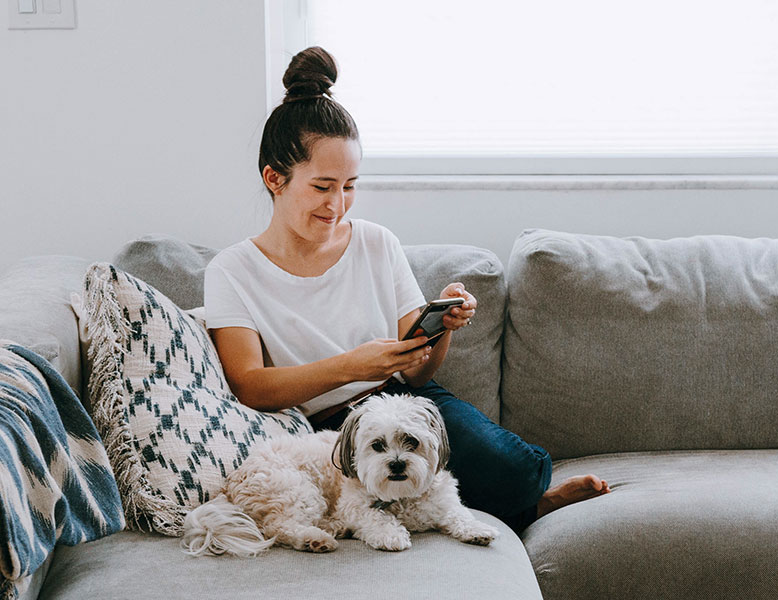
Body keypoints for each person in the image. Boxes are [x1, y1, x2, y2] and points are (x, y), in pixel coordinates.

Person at [204, 46, 610, 533]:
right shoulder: (233, 269)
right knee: (391, 479)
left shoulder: (376, 242)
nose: (338, 205)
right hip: (322, 428)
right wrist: (352, 366)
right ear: (275, 178)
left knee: (522, 470)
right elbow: (249, 385)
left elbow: (418, 375)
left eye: (350, 185)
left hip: (401, 402)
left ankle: (527, 500)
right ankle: (512, 507)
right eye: (322, 186)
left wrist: (443, 328)